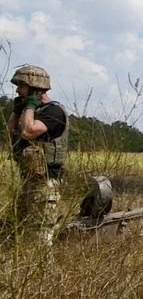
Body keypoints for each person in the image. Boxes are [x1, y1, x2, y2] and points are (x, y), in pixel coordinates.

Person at [7, 64, 68, 247]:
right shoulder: (29, 111)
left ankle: (46, 273)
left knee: (41, 235)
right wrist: (18, 110)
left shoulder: (54, 111)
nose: (18, 90)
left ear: (35, 89)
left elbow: (28, 131)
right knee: (23, 230)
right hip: (29, 180)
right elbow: (10, 132)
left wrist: (30, 106)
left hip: (46, 182)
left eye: (21, 86)